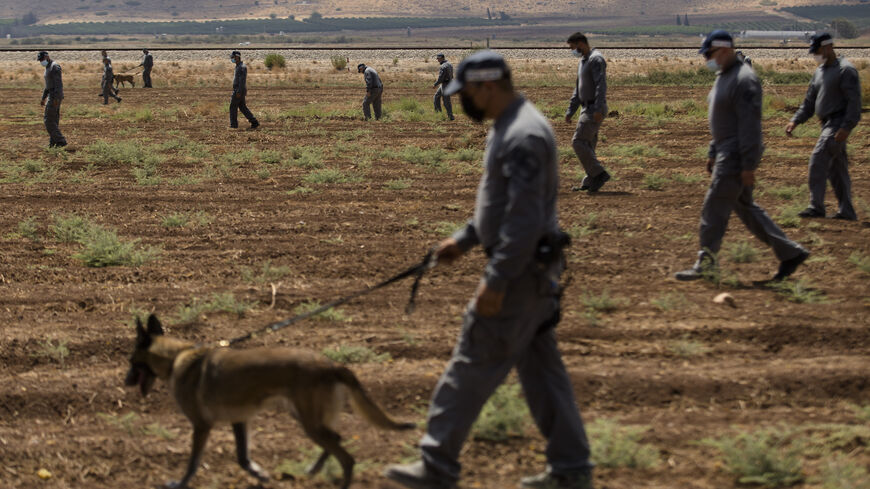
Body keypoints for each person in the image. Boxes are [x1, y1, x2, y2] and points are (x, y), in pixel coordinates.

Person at [384, 51, 595, 489]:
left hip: (518, 275)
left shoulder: (523, 136)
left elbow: (523, 220)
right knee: (543, 372)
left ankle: (437, 464)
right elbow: (501, 209)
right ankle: (572, 469)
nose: (463, 104)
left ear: (487, 87)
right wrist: (463, 240)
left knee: (472, 360)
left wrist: (497, 281)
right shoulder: (512, 126)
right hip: (530, 270)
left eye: (466, 95)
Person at [676, 31, 809, 282]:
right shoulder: (724, 76)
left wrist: (748, 165)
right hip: (726, 150)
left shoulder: (744, 79)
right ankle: (790, 253)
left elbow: (749, 126)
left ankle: (706, 264)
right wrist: (712, 152)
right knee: (746, 208)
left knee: (714, 208)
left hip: (736, 154)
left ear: (724, 50)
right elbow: (722, 120)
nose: (706, 59)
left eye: (709, 54)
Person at [785, 33, 861, 221]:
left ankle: (816, 206)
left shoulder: (846, 70)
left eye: (817, 51)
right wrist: (796, 120)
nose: (815, 55)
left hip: (836, 125)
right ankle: (847, 211)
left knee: (818, 160)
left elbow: (854, 103)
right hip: (826, 124)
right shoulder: (820, 72)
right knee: (837, 171)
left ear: (828, 47)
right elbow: (809, 102)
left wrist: (846, 127)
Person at [565, 32, 611, 193]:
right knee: (589, 144)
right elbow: (578, 89)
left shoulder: (595, 59)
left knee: (578, 142)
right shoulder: (583, 61)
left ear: (581, 43)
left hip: (593, 109)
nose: (573, 51)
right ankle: (590, 181)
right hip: (587, 107)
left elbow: (601, 85)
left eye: (573, 47)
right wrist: (571, 110)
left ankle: (599, 174)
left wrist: (598, 108)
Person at [37, 51, 67, 148]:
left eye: (42, 59)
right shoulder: (48, 67)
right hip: (51, 95)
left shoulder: (54, 66)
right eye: (40, 60)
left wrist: (55, 98)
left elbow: (58, 84)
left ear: (47, 57)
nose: (41, 61)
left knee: (48, 120)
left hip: (55, 96)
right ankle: (53, 142)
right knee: (53, 120)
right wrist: (43, 98)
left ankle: (60, 141)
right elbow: (48, 86)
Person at [229, 50, 259, 130]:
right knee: (242, 107)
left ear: (237, 57)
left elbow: (242, 81)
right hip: (240, 90)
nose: (232, 59)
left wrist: (238, 91)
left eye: (233, 57)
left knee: (232, 107)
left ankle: (233, 125)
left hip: (238, 91)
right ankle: (254, 122)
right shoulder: (238, 66)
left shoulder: (242, 67)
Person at [432, 53, 455, 120]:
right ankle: (439, 114)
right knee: (436, 97)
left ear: (442, 58)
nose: (437, 60)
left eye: (438, 58)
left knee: (446, 101)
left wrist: (435, 84)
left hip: (445, 84)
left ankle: (451, 116)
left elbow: (441, 78)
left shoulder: (443, 66)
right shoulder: (449, 64)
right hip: (448, 82)